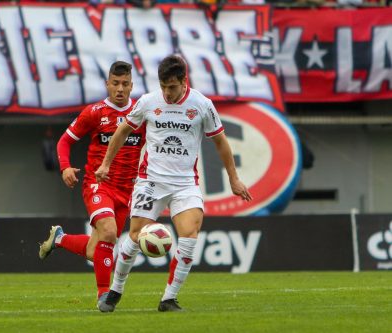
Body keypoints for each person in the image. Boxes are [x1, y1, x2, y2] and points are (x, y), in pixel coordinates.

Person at [94, 55, 252, 312]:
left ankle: (168, 298)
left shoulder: (202, 105)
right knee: (135, 236)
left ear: (184, 81)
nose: (167, 92)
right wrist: (106, 164)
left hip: (185, 184)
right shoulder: (148, 101)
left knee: (189, 236)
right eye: (163, 86)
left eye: (172, 87)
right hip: (150, 182)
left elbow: (221, 142)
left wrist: (233, 178)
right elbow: (122, 131)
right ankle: (115, 290)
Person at [38, 61, 145, 311]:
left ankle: (60, 239)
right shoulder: (95, 112)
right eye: (115, 83)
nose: (120, 89)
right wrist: (65, 166)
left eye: (125, 84)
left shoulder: (142, 112)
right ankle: (104, 296)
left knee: (94, 250)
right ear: (107, 84)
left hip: (127, 191)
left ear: (132, 86)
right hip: (99, 185)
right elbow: (65, 141)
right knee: (108, 232)